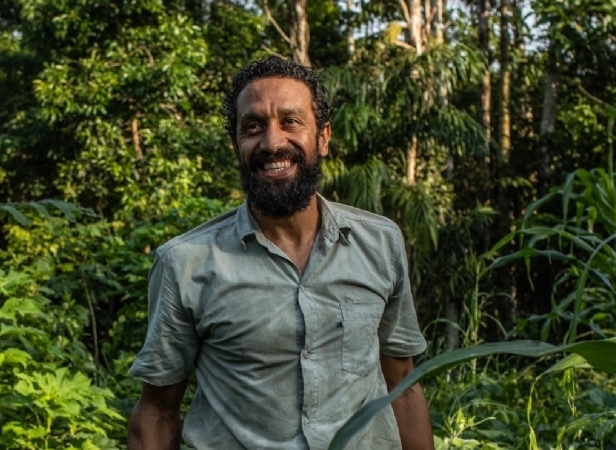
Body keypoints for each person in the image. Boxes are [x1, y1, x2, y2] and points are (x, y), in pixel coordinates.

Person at [127, 56, 434, 450]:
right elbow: (156, 412)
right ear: (236, 144)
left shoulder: (379, 243)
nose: (272, 143)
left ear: (322, 137)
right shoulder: (186, 263)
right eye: (253, 127)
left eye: (291, 122)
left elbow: (403, 387)